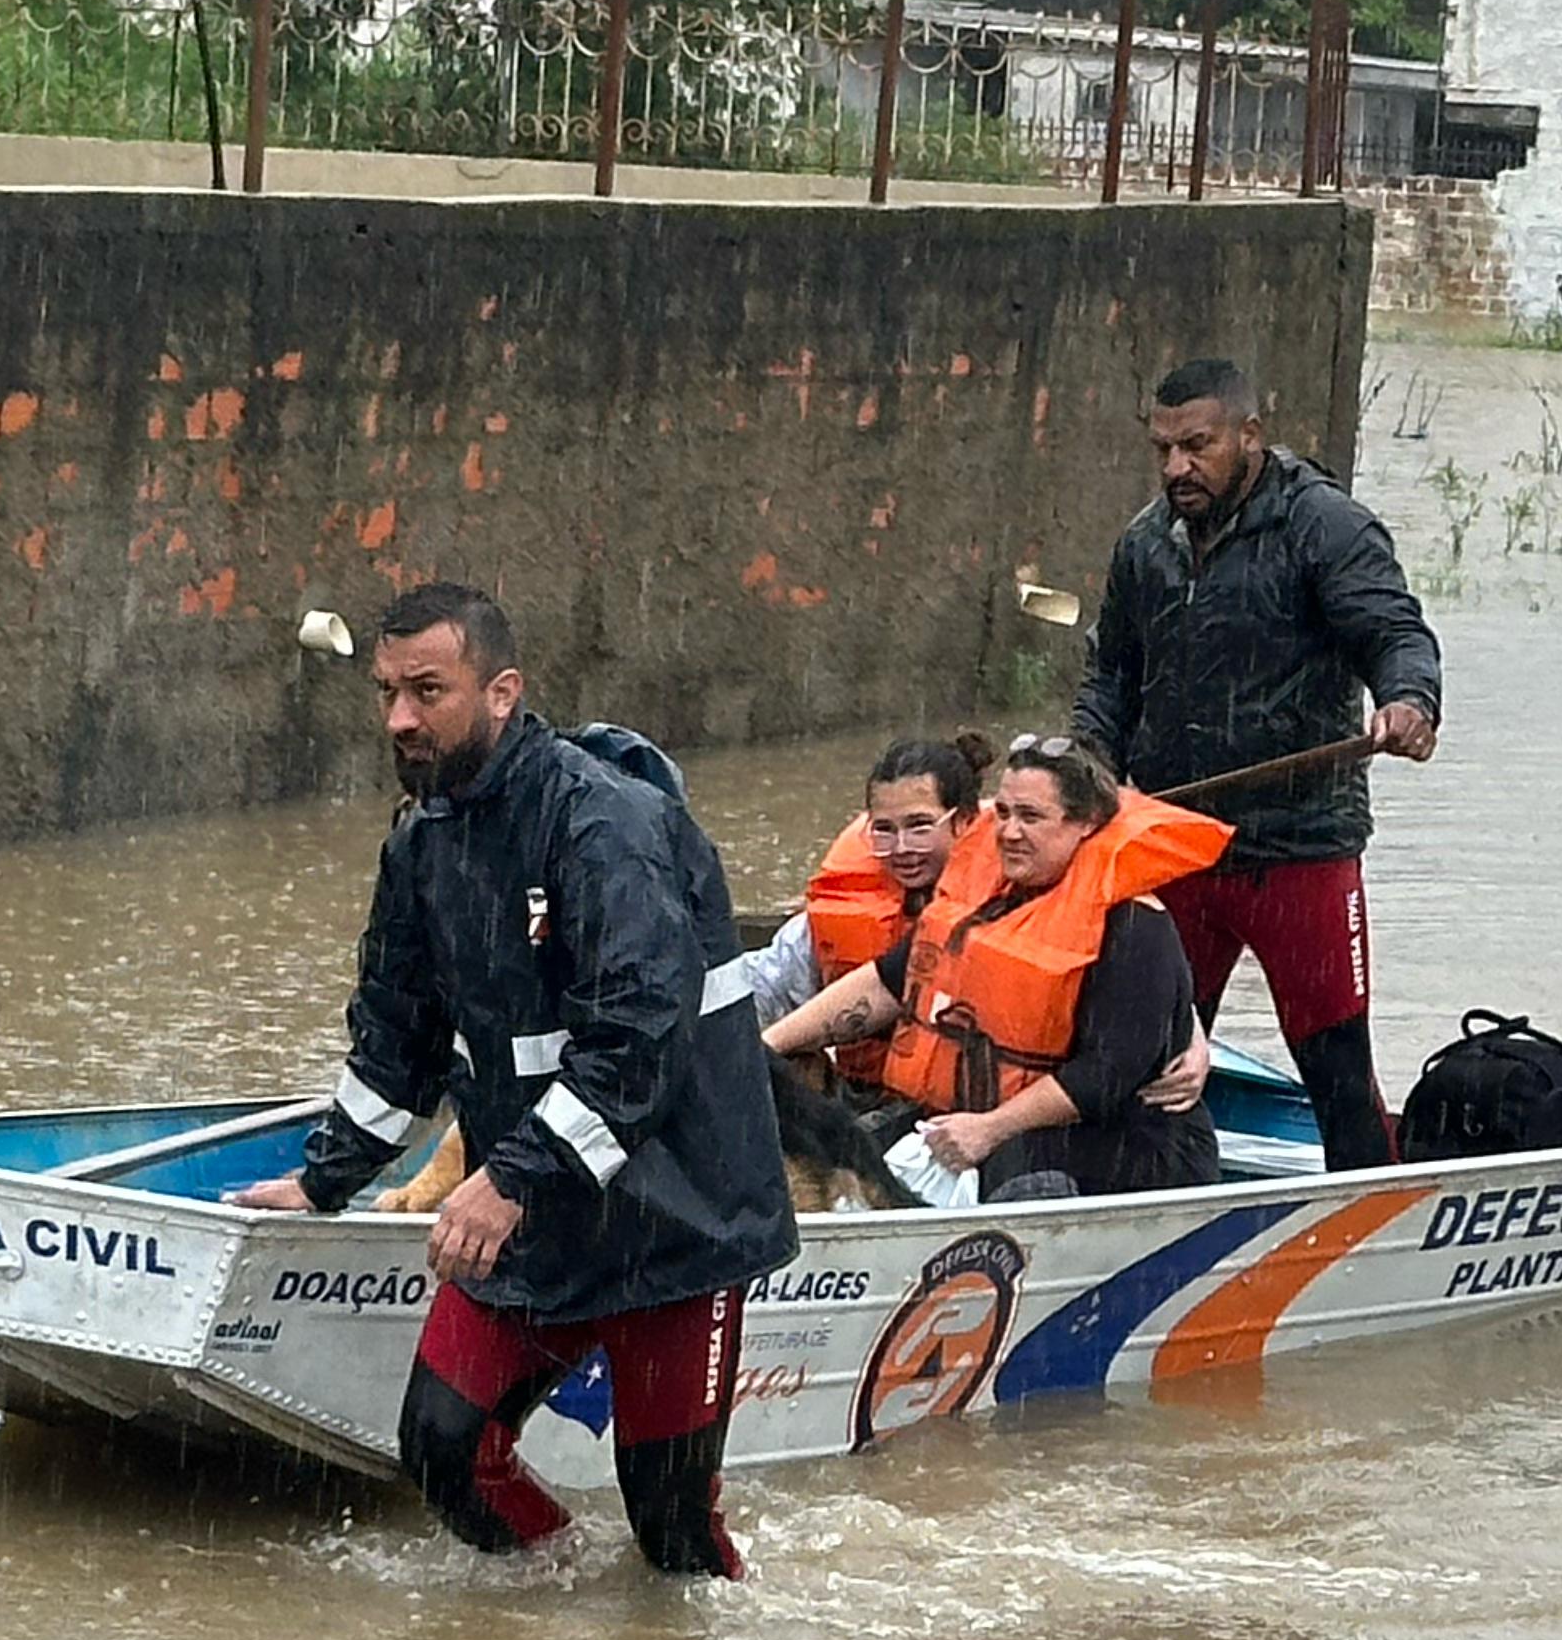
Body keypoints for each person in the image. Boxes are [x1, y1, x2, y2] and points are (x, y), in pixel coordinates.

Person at [229, 582, 796, 1579]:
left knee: (671, 1527)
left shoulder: (603, 825)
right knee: (443, 1450)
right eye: (386, 693)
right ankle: (556, 1603)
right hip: (534, 1221)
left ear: (502, 692)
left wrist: (509, 1180)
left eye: (427, 691)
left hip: (674, 1223)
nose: (400, 718)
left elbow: (637, 1038)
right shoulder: (420, 841)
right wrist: (325, 1178)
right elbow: (396, 1038)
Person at [1070, 357, 1441, 1169]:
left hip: (1300, 848)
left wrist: (1410, 700)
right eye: (1163, 449)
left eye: (1197, 447)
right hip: (1173, 844)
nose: (1177, 468)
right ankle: (1154, 1208)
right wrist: (1089, 767)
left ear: (1250, 436)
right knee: (1147, 1062)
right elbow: (1111, 678)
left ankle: (1368, 1227)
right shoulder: (1143, 545)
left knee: (1336, 1068)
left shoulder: (1327, 529)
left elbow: (1395, 635)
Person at [761, 739, 1228, 1201]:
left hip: (1133, 1143)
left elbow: (1103, 1078)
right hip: (984, 1121)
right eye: (1002, 813)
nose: (1008, 832)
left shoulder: (1135, 927)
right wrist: (763, 1048)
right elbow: (889, 981)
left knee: (1015, 1159)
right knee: (854, 1149)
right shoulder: (984, 901)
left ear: (1084, 823)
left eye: (1031, 817)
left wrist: (989, 1128)